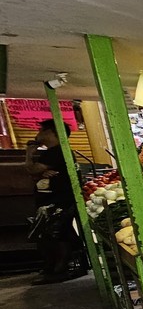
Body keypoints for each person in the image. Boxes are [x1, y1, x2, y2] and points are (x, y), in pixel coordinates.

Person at [25, 119, 84, 284]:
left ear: (52, 133)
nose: (38, 134)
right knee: (60, 233)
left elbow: (32, 169)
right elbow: (36, 173)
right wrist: (40, 173)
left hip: (58, 200)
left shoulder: (56, 151)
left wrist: (29, 154)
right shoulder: (57, 152)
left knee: (57, 234)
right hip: (58, 199)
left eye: (42, 130)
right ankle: (68, 266)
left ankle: (61, 269)